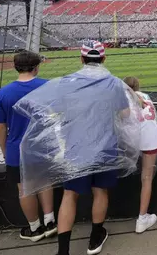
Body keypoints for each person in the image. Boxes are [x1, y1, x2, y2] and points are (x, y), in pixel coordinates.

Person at [55, 41, 133, 255]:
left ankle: (63, 250)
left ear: (81, 59)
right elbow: (125, 114)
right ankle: (95, 238)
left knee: (69, 194)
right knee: (100, 191)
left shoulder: (67, 82)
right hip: (105, 145)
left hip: (76, 146)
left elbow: (59, 111)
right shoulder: (113, 83)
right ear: (103, 59)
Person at [0, 51, 54, 242]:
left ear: (15, 67)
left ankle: (35, 227)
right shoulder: (47, 87)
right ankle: (50, 221)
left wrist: (4, 150)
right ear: (36, 67)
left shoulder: (2, 94)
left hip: (16, 148)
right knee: (44, 182)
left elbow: (0, 127)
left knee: (24, 189)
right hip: (43, 145)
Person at [123, 77, 157, 233]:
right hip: (151, 141)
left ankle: (141, 217)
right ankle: (142, 218)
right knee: (147, 179)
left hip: (133, 141)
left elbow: (123, 118)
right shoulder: (145, 96)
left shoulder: (124, 99)